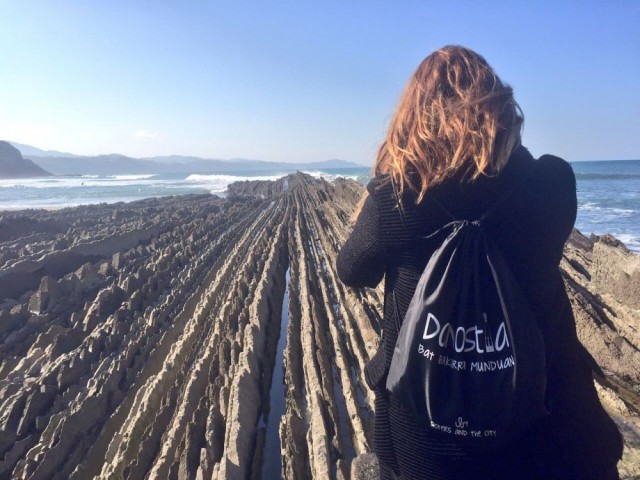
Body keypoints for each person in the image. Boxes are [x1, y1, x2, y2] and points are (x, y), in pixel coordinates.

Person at [337, 45, 622, 480]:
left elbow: (352, 270)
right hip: (537, 427)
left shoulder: (394, 197)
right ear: (499, 106)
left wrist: (386, 175)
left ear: (414, 116)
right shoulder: (551, 184)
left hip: (422, 440)